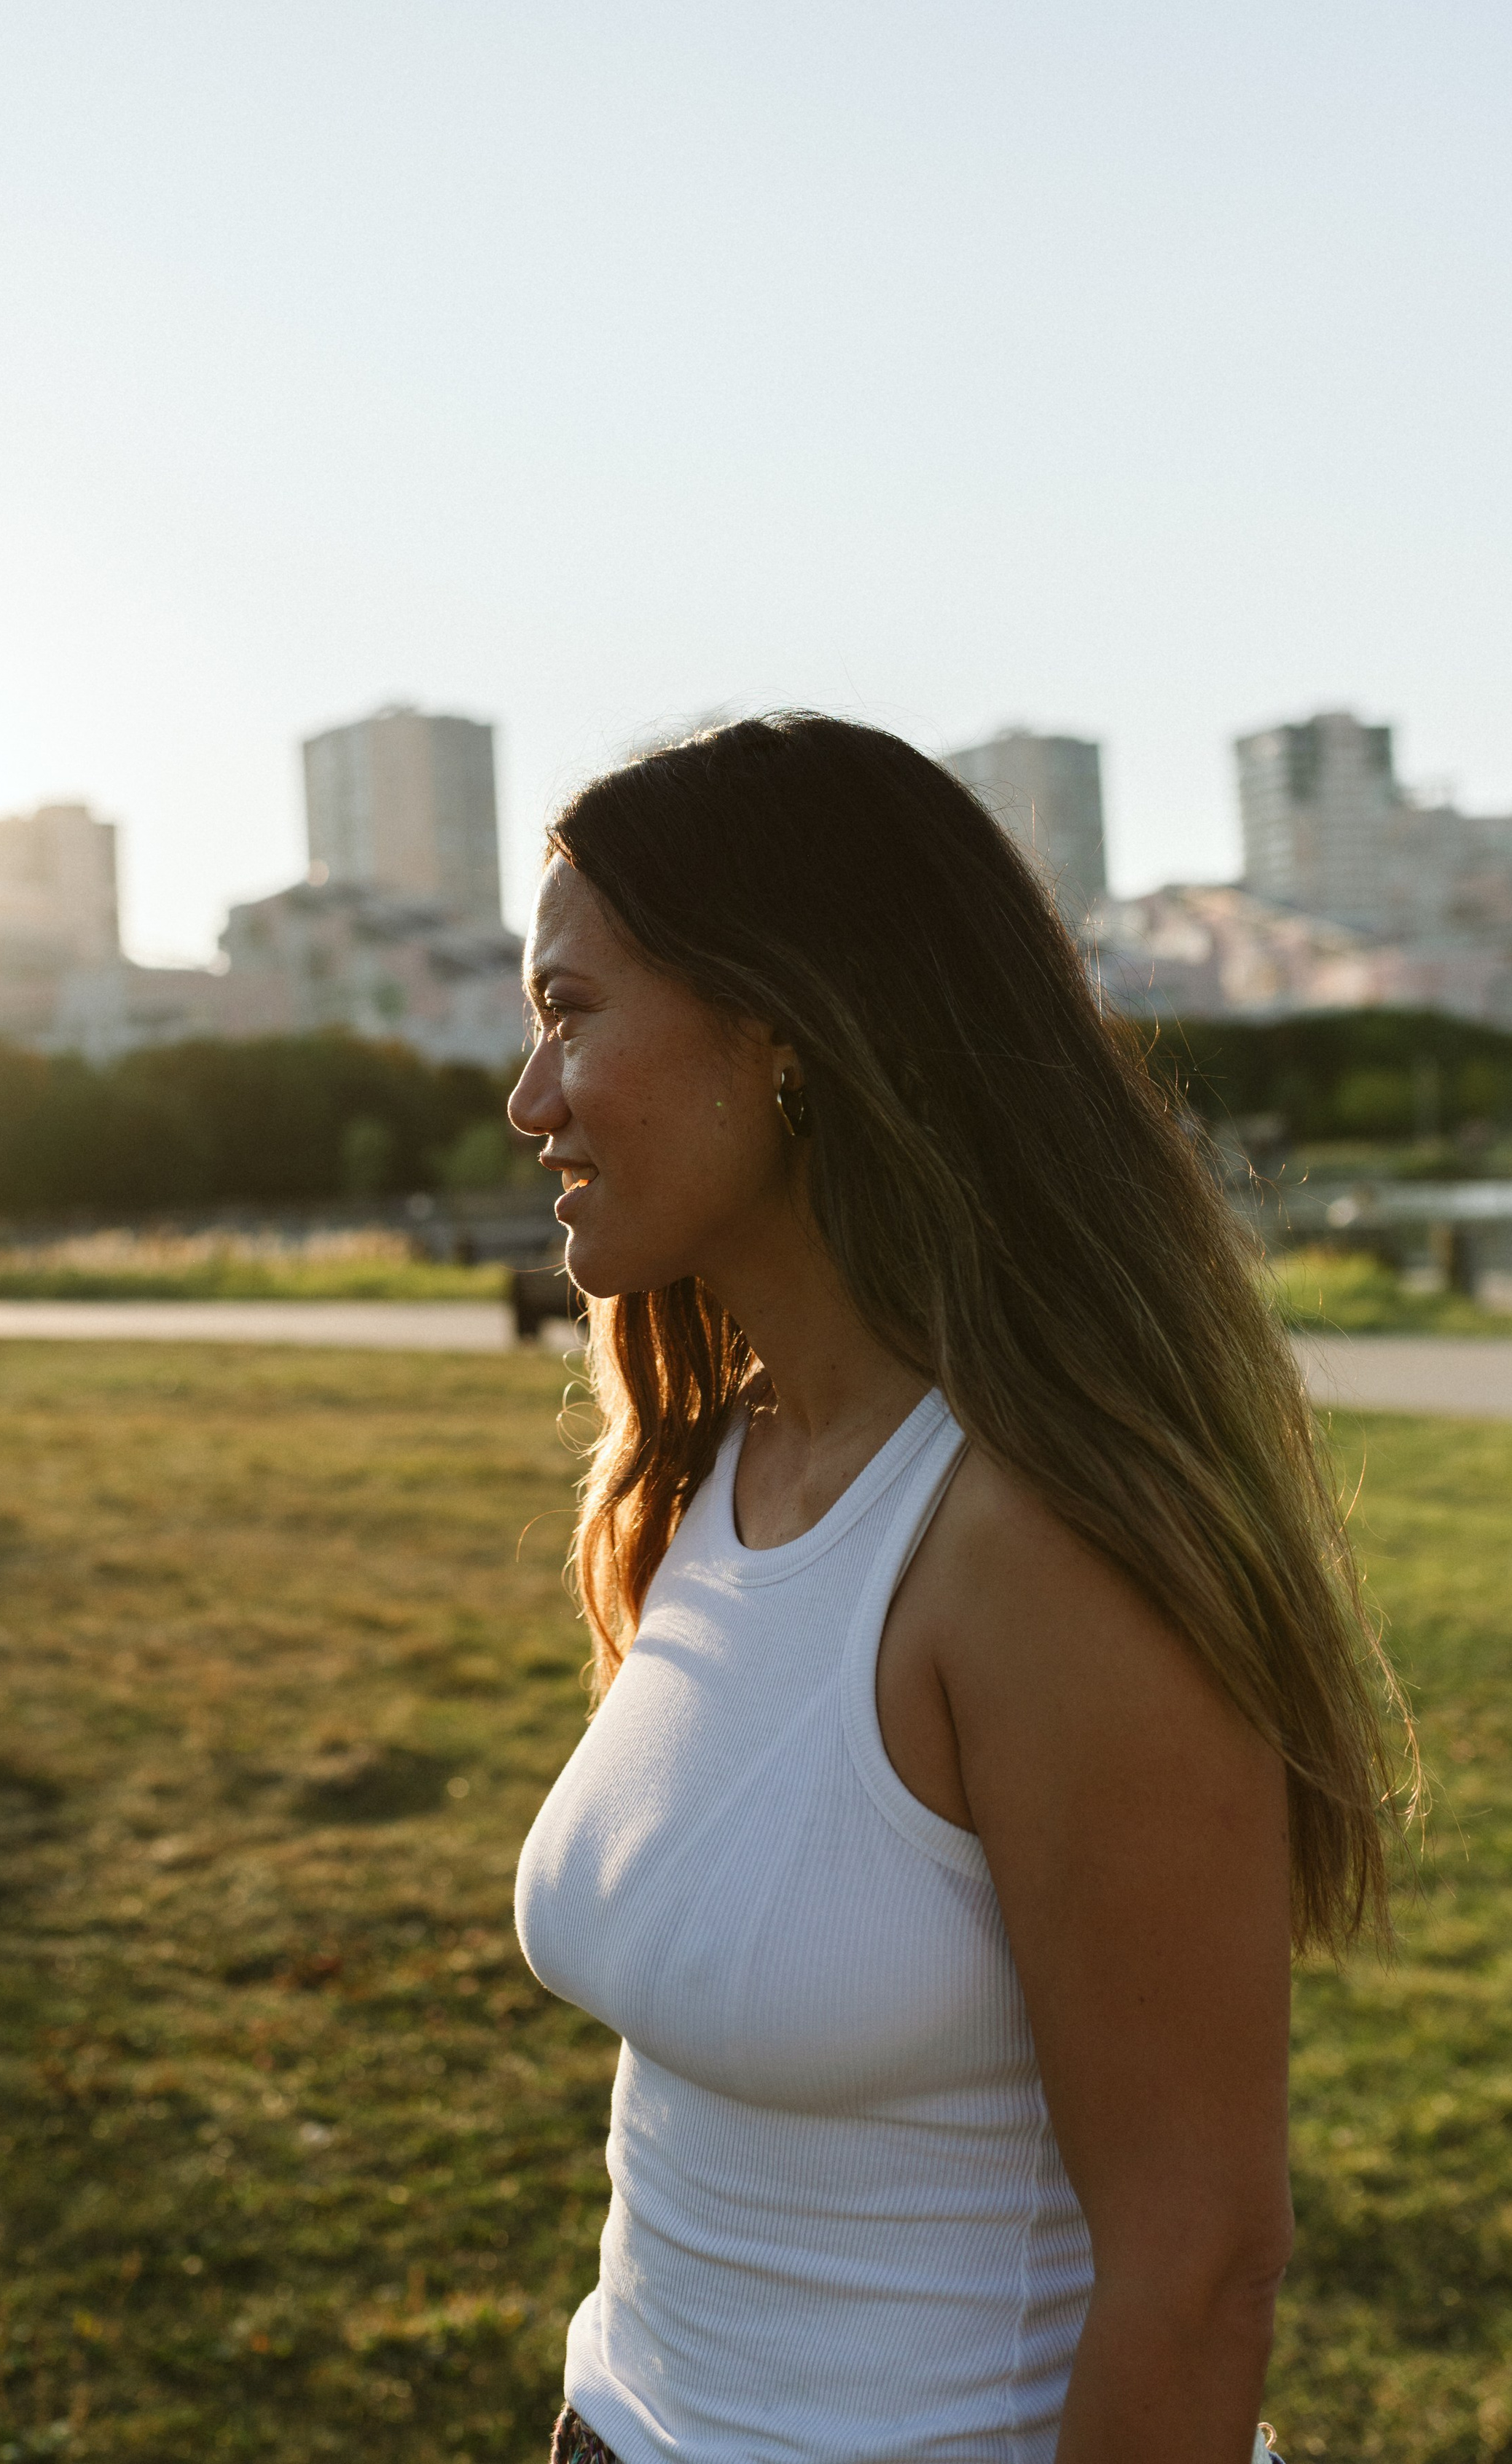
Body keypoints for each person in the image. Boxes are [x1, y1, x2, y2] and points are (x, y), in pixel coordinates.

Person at [508, 716, 1404, 2464]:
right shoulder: (717, 1464)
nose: (528, 1098)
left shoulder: (1042, 1557)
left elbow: (1198, 2268)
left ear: (781, 1029)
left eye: (568, 1011)